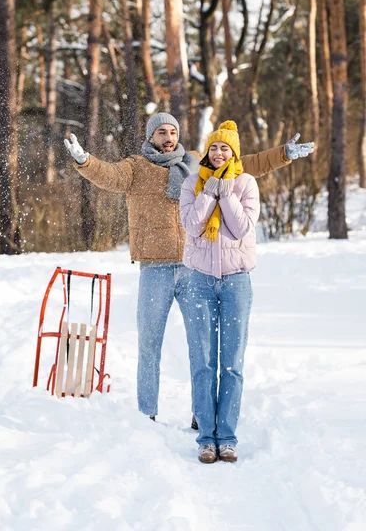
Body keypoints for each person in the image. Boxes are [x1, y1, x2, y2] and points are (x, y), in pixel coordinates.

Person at [64, 112, 314, 425]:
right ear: (151, 137)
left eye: (173, 131)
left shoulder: (197, 162)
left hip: (195, 268)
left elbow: (244, 165)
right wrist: (84, 160)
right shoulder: (135, 168)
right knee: (149, 344)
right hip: (154, 269)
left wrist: (283, 154)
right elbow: (108, 175)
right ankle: (147, 414)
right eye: (162, 133)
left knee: (201, 347)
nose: (169, 137)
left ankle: (201, 414)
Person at [180, 120, 259, 463]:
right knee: (202, 362)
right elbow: (192, 225)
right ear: (208, 151)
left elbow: (242, 227)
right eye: (214, 147)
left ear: (235, 153)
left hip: (236, 281)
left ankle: (227, 437)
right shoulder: (191, 184)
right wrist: (209, 191)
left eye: (225, 147)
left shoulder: (246, 183)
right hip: (198, 280)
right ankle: (206, 439)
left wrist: (226, 194)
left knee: (232, 364)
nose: (218, 152)